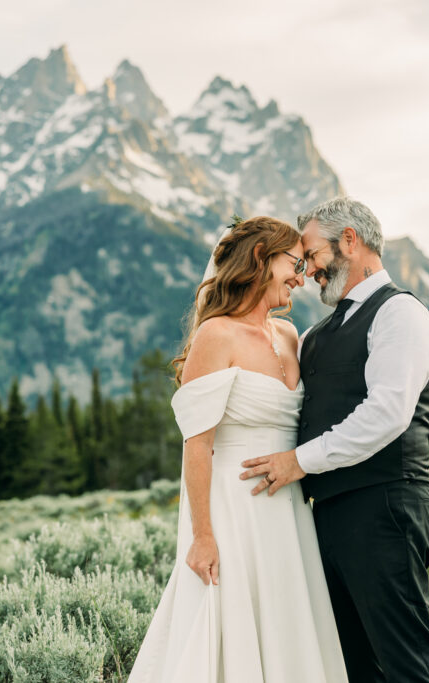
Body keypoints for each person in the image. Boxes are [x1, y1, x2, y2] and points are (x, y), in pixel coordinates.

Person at [127, 215, 348, 683]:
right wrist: (201, 535)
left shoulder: (288, 335)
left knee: (288, 626)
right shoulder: (216, 336)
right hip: (234, 509)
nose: (302, 275)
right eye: (295, 262)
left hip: (287, 510)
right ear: (259, 260)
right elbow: (197, 444)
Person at [240, 197, 429, 683]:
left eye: (313, 255)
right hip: (325, 514)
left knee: (406, 659)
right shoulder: (315, 333)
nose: (307, 269)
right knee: (352, 665)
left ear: (350, 241)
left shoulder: (400, 314)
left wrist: (298, 461)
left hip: (384, 508)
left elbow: (387, 413)